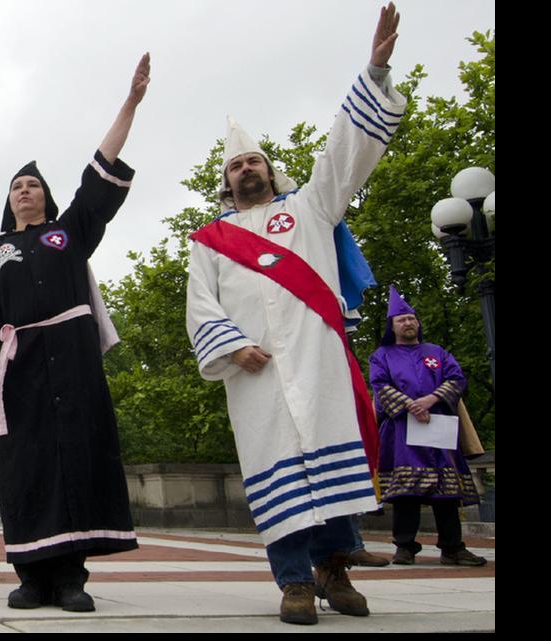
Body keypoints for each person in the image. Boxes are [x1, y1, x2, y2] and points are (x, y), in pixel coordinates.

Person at [185, 4, 405, 626]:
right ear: (225, 181)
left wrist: (374, 72)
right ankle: (294, 583)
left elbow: (342, 155)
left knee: (330, 460)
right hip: (255, 370)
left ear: (269, 168)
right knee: (276, 473)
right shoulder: (208, 241)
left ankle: (334, 570)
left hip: (316, 358)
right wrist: (231, 346)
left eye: (253, 161)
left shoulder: (310, 208)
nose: (246, 169)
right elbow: (200, 303)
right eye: (236, 165)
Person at [0, 54, 150, 613]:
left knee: (77, 454)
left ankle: (71, 578)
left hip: (73, 362)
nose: (25, 191)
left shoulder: (69, 233)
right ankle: (31, 576)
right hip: (18, 371)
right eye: (17, 186)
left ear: (46, 196)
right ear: (8, 200)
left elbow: (99, 173)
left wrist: (130, 103)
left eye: (33, 185)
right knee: (25, 461)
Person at [369, 286, 486, 567]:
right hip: (402, 432)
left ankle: (452, 548)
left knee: (447, 491)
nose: (408, 323)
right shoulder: (382, 355)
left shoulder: (438, 353)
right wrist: (410, 405)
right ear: (392, 326)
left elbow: (456, 379)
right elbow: (380, 385)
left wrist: (431, 399)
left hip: (438, 427)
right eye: (402, 319)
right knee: (406, 491)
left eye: (411, 318)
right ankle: (405, 547)